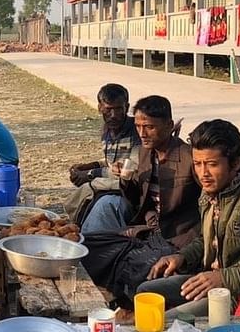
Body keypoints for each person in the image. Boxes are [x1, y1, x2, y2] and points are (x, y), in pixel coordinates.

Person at [137, 119, 240, 318]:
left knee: (164, 321)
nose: (203, 174)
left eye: (212, 164)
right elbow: (210, 239)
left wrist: (223, 278)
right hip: (217, 282)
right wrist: (183, 257)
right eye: (197, 164)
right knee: (145, 292)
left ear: (236, 163)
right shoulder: (213, 191)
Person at [81, 95, 200, 247]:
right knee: (105, 206)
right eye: (138, 126)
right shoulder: (145, 152)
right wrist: (126, 178)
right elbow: (137, 201)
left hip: (177, 233)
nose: (142, 134)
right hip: (148, 223)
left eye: (150, 127)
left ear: (169, 126)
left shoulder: (190, 158)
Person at [64, 84, 141, 224]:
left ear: (127, 107)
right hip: (113, 182)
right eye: (108, 109)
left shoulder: (137, 131)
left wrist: (90, 174)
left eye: (118, 109)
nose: (113, 115)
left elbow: (131, 169)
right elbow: (111, 161)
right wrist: (89, 166)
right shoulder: (107, 131)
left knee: (96, 196)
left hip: (131, 189)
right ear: (100, 108)